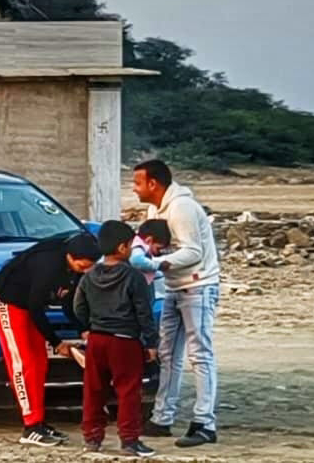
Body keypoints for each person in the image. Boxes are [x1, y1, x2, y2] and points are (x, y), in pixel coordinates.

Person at [132, 159, 220, 447]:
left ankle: (205, 422)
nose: (135, 189)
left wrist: (155, 263)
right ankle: (162, 417)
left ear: (153, 184)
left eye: (138, 183)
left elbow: (193, 251)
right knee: (168, 353)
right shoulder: (155, 209)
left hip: (198, 286)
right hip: (174, 287)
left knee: (200, 354)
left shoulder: (181, 208)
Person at [0, 229, 101, 446]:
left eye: (89, 266)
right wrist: (57, 342)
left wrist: (82, 329)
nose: (86, 270)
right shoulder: (48, 265)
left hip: (31, 309)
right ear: (70, 257)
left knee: (39, 363)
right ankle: (30, 426)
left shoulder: (75, 271)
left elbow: (69, 304)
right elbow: (36, 308)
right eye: (82, 266)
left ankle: (39, 422)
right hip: (11, 306)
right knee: (23, 364)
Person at [74, 221, 159, 456]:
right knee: (128, 391)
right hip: (125, 340)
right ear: (123, 247)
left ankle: (92, 438)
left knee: (93, 390)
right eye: (131, 245)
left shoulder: (89, 277)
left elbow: (78, 307)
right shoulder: (133, 277)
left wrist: (87, 327)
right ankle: (129, 440)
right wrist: (151, 343)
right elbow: (144, 312)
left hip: (97, 339)